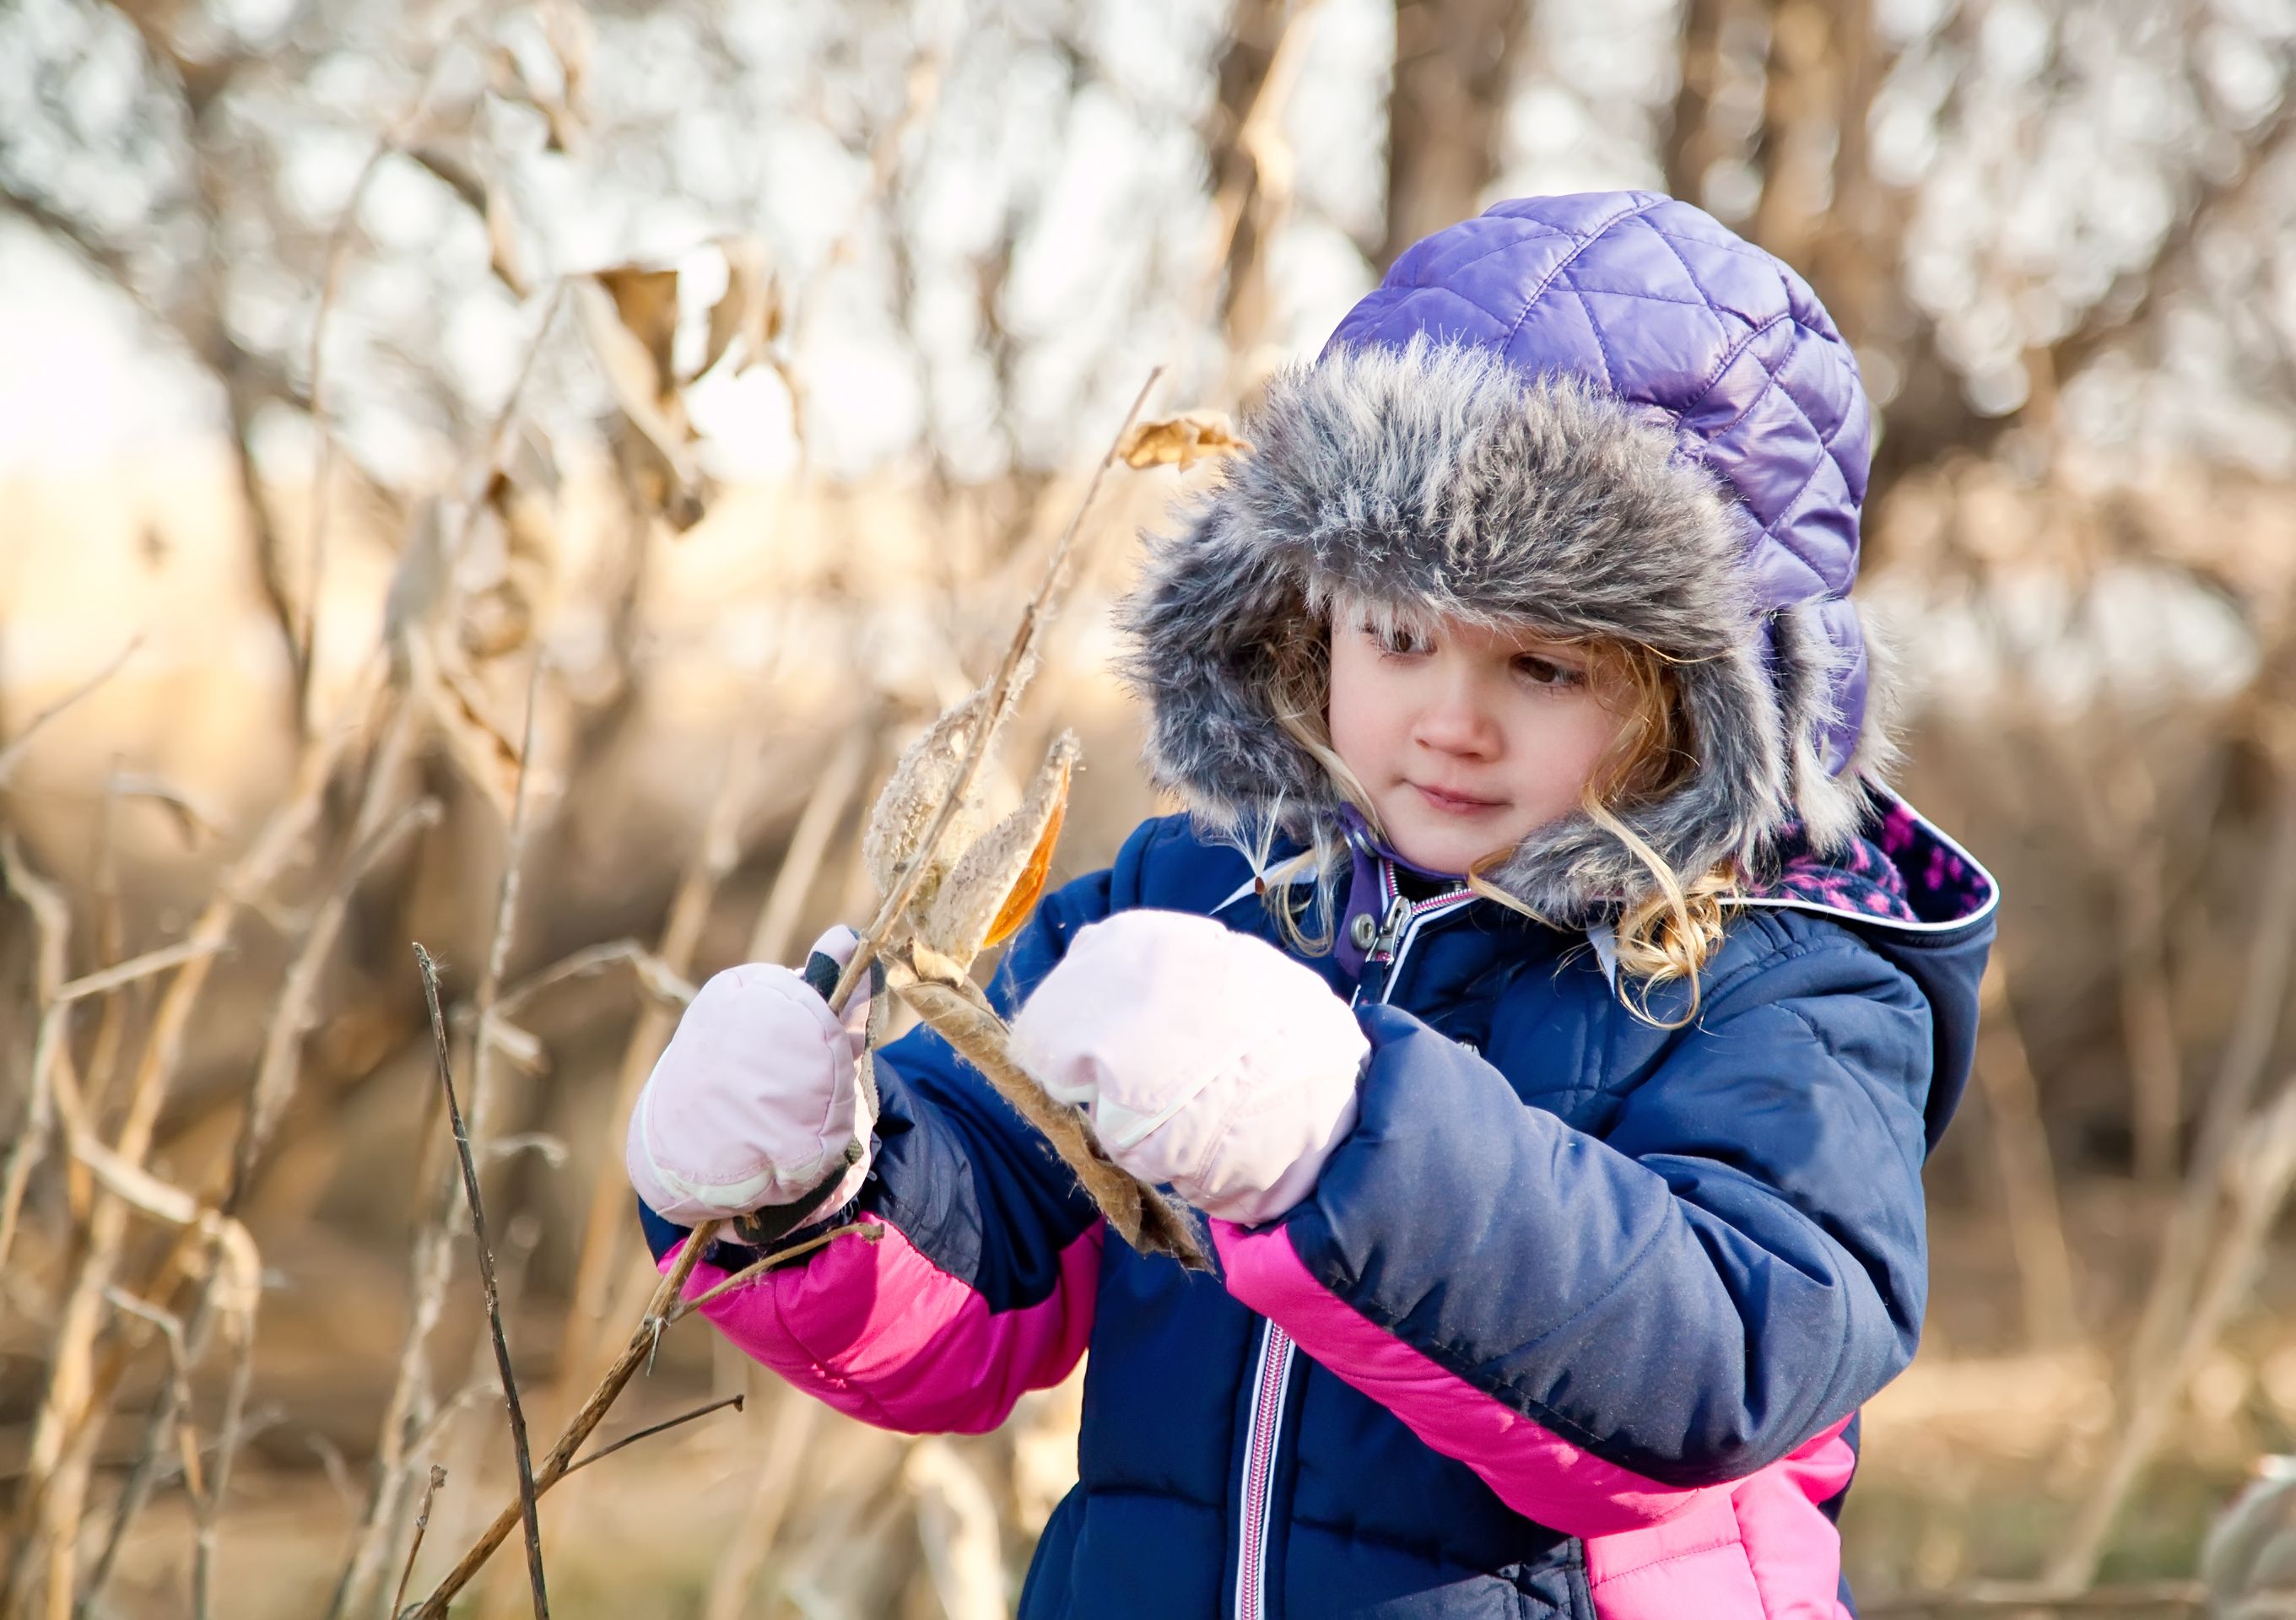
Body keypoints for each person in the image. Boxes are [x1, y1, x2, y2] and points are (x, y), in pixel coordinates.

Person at [624, 191, 1998, 1620]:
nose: (1448, 723)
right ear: (1306, 613)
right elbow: (987, 1271)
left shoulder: (1784, 978)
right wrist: (817, 1188)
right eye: (1399, 637)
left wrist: (1343, 1144)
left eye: (1543, 667)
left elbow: (1723, 1366)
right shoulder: (1205, 891)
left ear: (1701, 698)